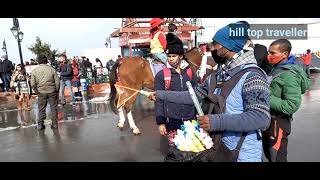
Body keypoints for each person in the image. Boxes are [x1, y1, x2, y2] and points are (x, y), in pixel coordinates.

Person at [152, 22, 271, 162]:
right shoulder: (218, 75)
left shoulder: (252, 76)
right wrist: (160, 94)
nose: (212, 48)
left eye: (215, 44)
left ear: (227, 46)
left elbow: (261, 118)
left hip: (243, 154)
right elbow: (193, 96)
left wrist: (215, 122)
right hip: (219, 149)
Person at [262, 39, 311, 162]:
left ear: (285, 54)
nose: (269, 56)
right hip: (270, 121)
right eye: (269, 52)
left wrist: (265, 97)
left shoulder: (289, 75)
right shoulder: (277, 69)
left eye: (273, 53)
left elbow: (292, 105)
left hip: (278, 122)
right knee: (270, 154)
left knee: (277, 157)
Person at [151, 36, 197, 155]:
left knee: (191, 150)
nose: (171, 59)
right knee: (175, 152)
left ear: (181, 56)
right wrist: (161, 122)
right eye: (169, 56)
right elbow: (159, 101)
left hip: (190, 121)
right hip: (172, 122)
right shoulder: (161, 75)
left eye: (174, 56)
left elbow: (196, 96)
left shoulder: (190, 73)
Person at [31, 55, 60, 130]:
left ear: (38, 61)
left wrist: (37, 92)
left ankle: (40, 125)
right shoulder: (51, 69)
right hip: (52, 90)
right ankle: (54, 124)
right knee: (53, 107)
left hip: (41, 91)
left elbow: (33, 84)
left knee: (41, 108)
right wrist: (56, 91)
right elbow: (57, 81)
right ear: (46, 61)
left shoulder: (35, 70)